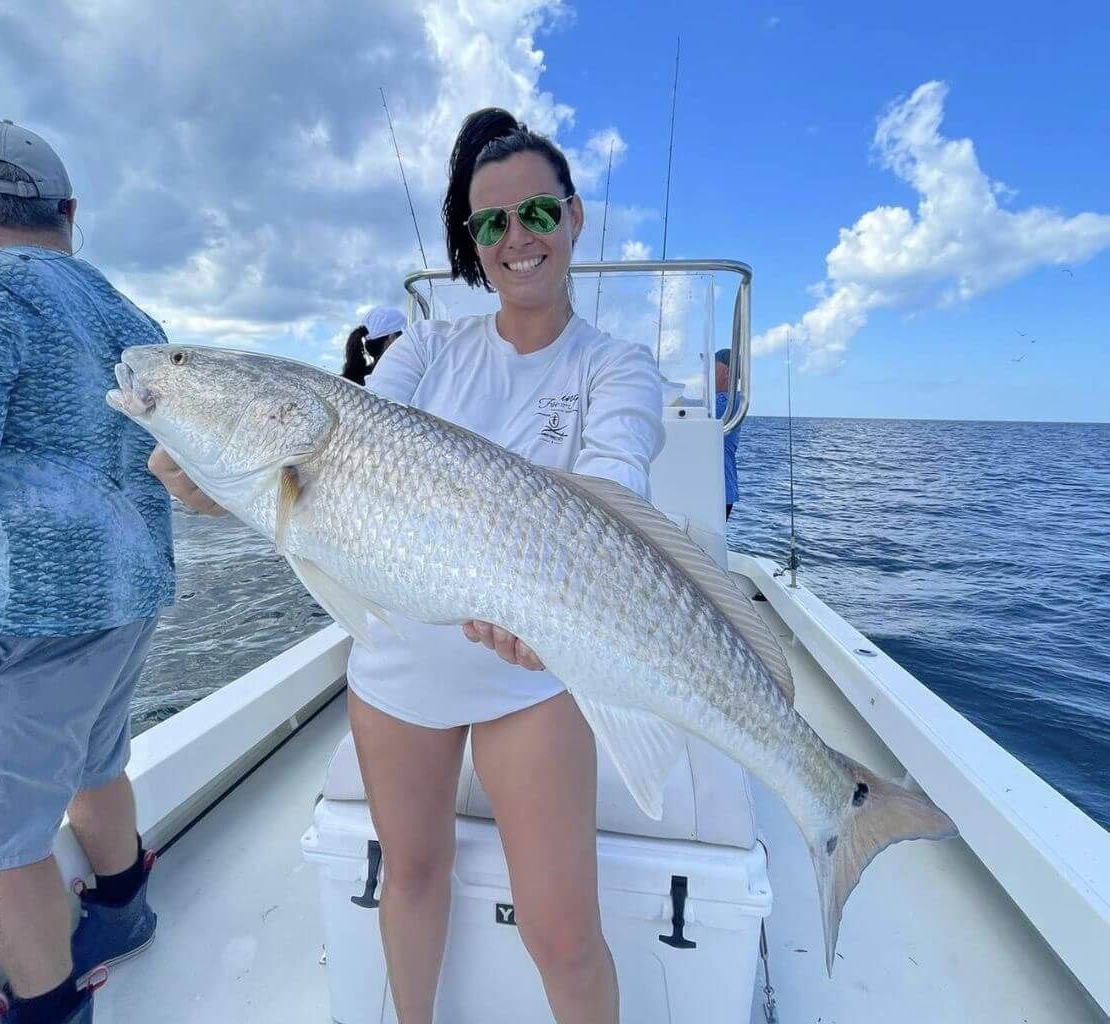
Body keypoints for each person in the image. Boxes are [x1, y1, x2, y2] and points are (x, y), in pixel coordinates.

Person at [153, 107, 665, 1024]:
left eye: (537, 215)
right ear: (473, 241)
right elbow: (345, 452)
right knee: (410, 878)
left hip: (532, 674)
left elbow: (611, 488)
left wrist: (552, 604)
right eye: (491, 224)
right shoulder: (427, 345)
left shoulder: (616, 366)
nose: (517, 239)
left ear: (574, 217)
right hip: (397, 668)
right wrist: (218, 482)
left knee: (561, 931)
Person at [0, 121, 175, 1024]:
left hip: (27, 610)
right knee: (95, 759)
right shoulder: (133, 319)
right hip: (131, 594)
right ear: (69, 212)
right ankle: (121, 910)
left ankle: (49, 1009)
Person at [341, 305, 407, 385]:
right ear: (391, 339)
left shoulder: (351, 381)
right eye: (404, 336)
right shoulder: (397, 381)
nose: (408, 342)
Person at [714, 348, 741, 518]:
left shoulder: (729, 401)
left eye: (712, 367)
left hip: (719, 491)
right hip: (716, 489)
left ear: (726, 372)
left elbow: (700, 414)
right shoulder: (723, 400)